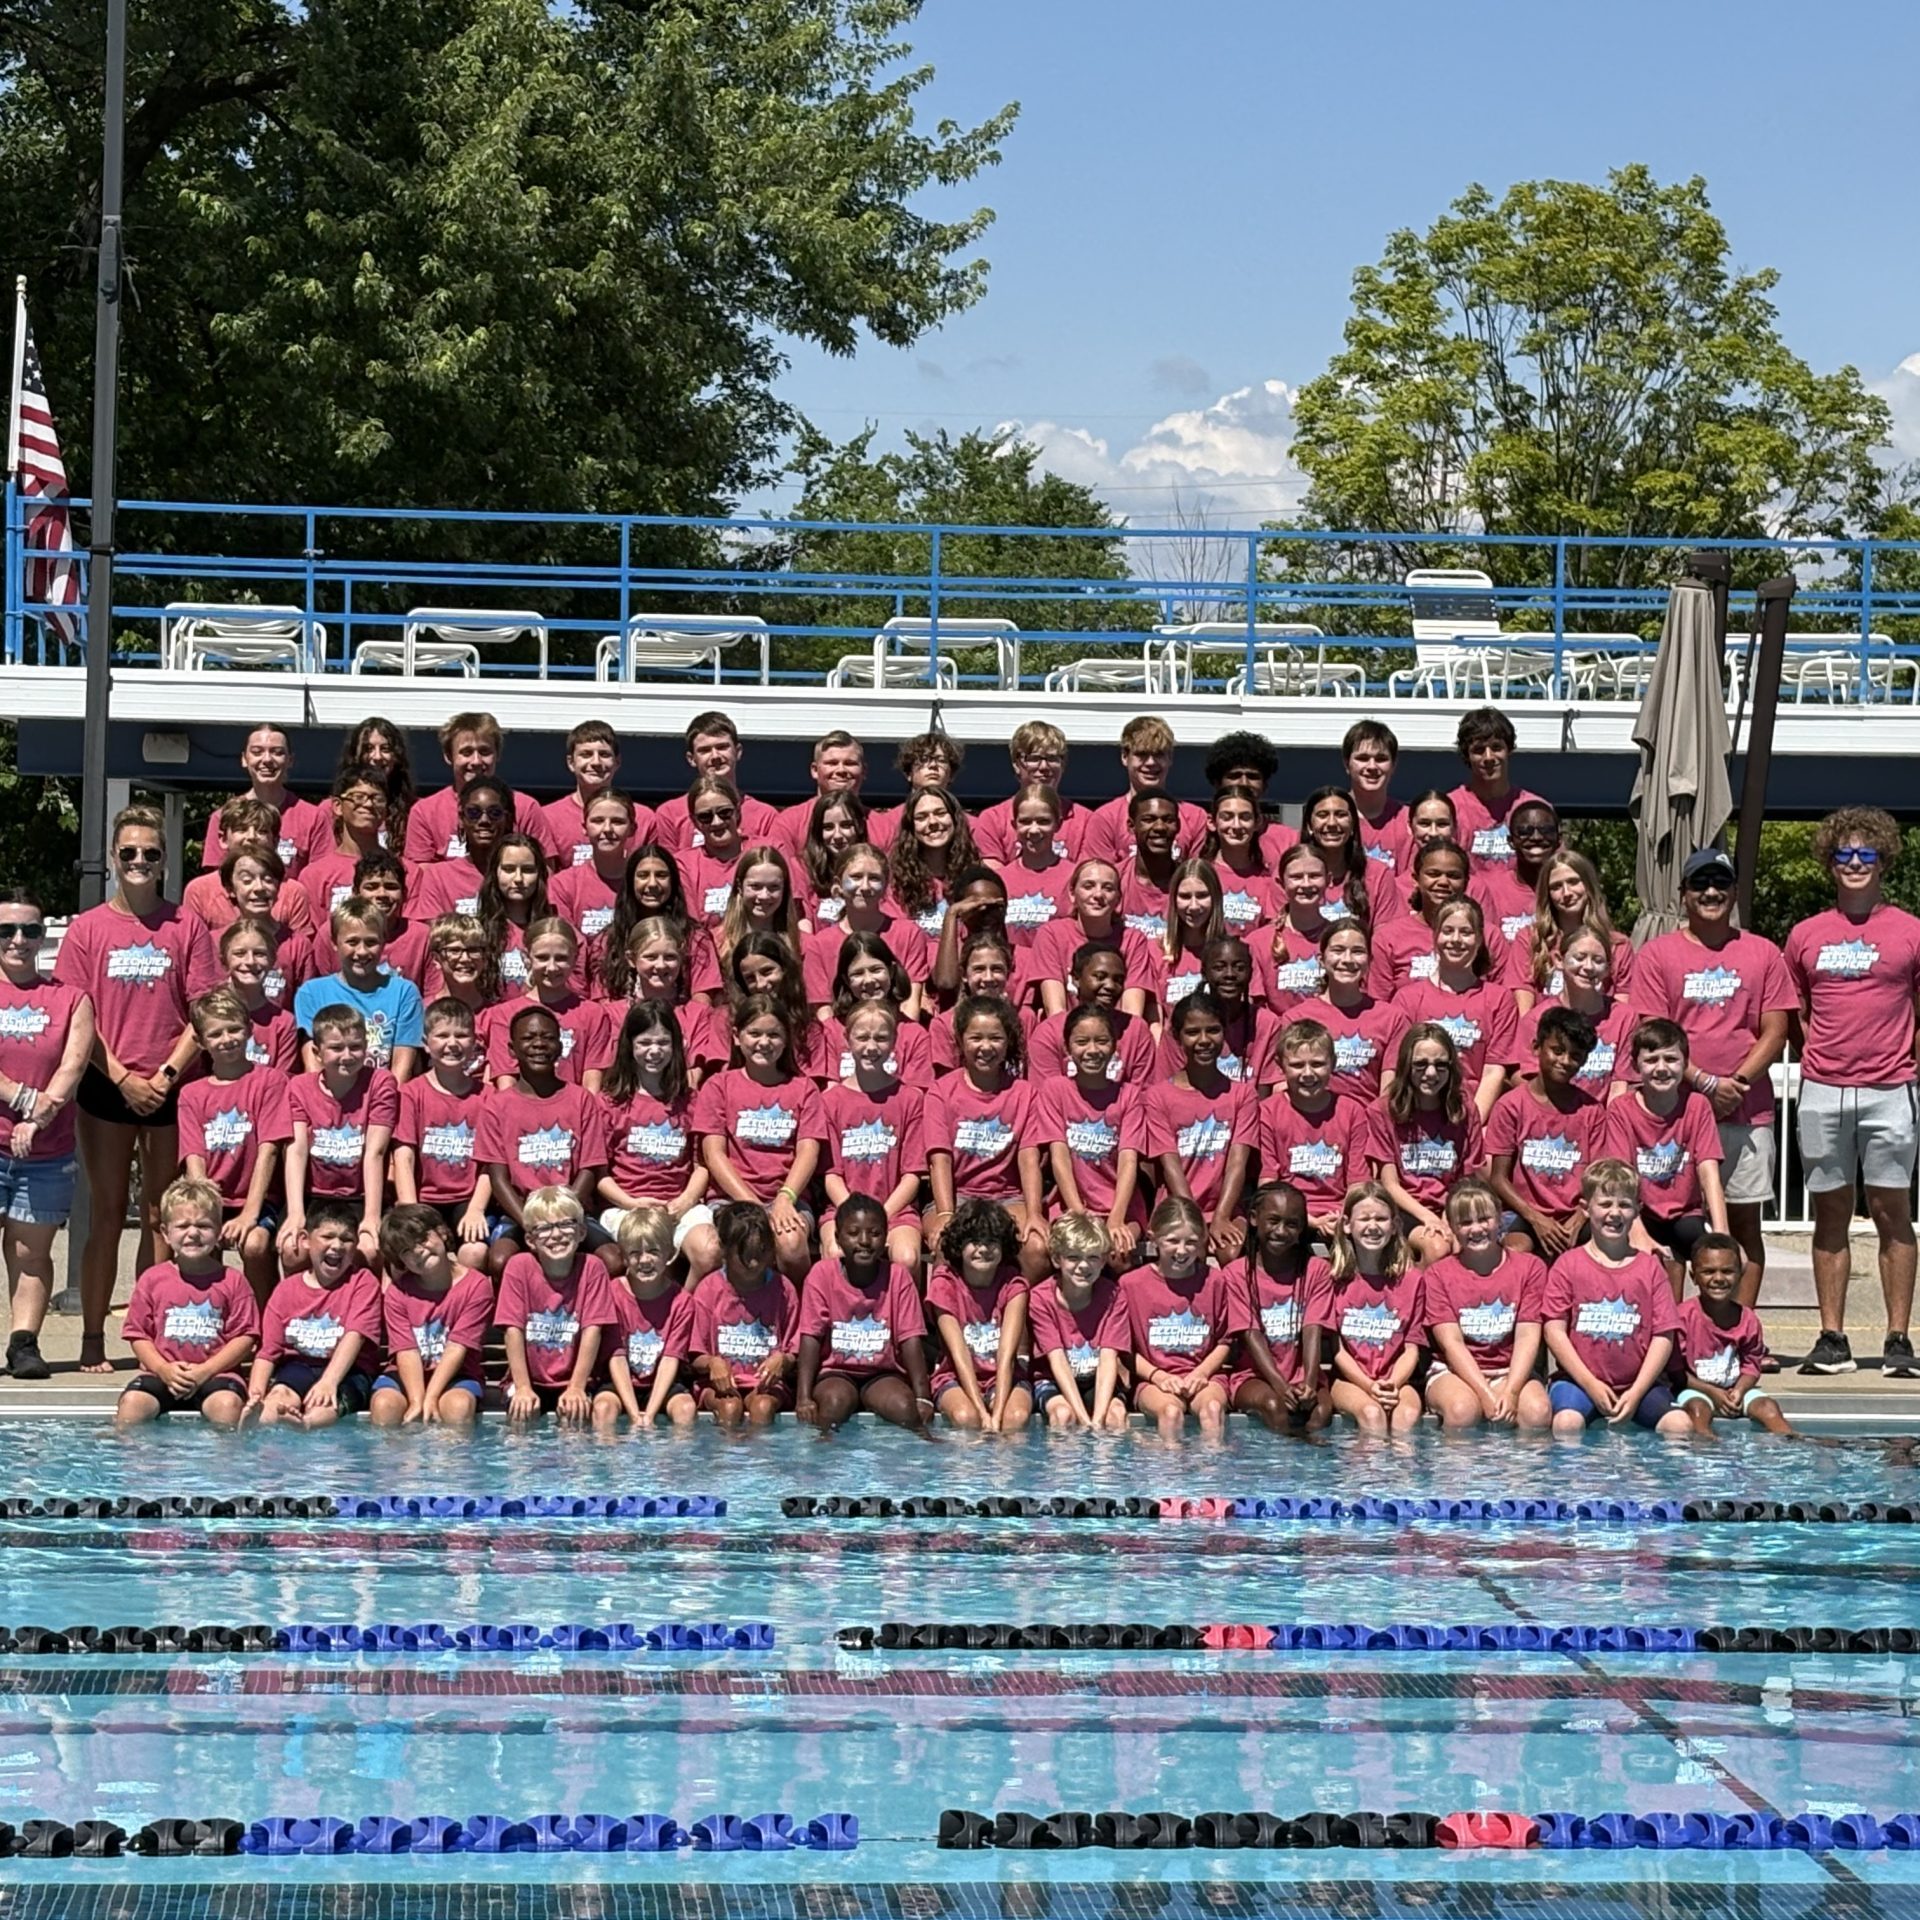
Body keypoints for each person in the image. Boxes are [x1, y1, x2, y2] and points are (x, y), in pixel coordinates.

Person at [56, 804, 221, 1372]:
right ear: (113, 858)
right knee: (106, 1214)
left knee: (160, 1217)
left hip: (172, 1084)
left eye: (150, 852)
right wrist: (124, 1078)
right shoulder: (88, 929)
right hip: (107, 1084)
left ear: (164, 860)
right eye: (129, 852)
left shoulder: (186, 925)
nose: (139, 861)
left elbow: (204, 1011)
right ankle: (93, 1337)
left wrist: (165, 1076)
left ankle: (153, 1337)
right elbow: (77, 1016)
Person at [1783, 806, 1920, 1378]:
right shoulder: (1805, 934)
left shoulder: (1911, 931)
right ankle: (1832, 1338)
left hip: (1891, 1089)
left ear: (1883, 861)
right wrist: (1821, 1058)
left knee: (1892, 1211)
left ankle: (1898, 1340)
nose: (1856, 862)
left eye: (1867, 853)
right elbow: (1795, 1012)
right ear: (1830, 861)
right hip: (1823, 1089)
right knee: (1830, 1212)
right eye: (1845, 853)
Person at [1634, 847, 1794, 1316]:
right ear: (1683, 893)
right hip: (1675, 1117)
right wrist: (1704, 1083)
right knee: (1674, 1227)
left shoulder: (1763, 952)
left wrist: (1735, 1084)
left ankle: (1736, 1331)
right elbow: (1653, 1033)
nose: (1710, 892)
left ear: (1735, 892)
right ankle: (1673, 1331)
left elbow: (1776, 1030)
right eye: (1700, 883)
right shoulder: (1658, 954)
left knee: (1743, 1228)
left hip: (1746, 1113)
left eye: (1720, 883)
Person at [0, 892, 91, 1378]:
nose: (18, 940)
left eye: (30, 931)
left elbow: (73, 1065)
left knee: (30, 1253)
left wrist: (37, 1119)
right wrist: (22, 1098)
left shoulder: (71, 998)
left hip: (46, 1151)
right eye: (7, 931)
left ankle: (23, 1344)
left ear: (42, 938)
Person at [1542, 1159, 1692, 1434]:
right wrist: (1590, 1384)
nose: (1615, 1213)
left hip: (1639, 1385)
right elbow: (1554, 1331)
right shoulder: (1567, 1265)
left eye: (1624, 1205)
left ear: (1637, 1211)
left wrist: (1637, 1392)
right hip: (1578, 1383)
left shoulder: (1650, 1269)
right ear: (1585, 1209)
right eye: (1605, 1204)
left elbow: (1663, 1336)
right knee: (1566, 1424)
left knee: (1679, 1426)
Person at [690, 993, 825, 1280]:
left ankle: (800, 1304)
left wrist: (785, 1198)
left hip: (788, 1197)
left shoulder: (804, 1089)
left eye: (774, 1035)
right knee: (747, 1240)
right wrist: (753, 1205)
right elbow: (714, 1154)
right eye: (755, 1033)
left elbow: (808, 1152)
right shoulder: (718, 1086)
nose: (764, 1042)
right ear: (737, 1037)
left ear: (786, 1039)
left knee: (791, 1245)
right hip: (731, 1199)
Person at [476, 1005, 610, 1277]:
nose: (538, 1044)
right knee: (500, 1260)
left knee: (612, 1259)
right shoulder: (497, 1106)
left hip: (573, 1210)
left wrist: (563, 1220)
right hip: (521, 1214)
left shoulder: (581, 1099)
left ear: (560, 1047)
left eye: (548, 1038)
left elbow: (589, 1168)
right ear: (512, 1050)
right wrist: (534, 1225)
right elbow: (498, 1178)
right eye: (528, 1038)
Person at [115, 1175, 260, 1428]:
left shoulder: (233, 1281)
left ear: (219, 1231)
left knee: (228, 1407)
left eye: (203, 1226)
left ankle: (226, 1453)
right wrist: (163, 1369)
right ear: (165, 1233)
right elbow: (138, 1335)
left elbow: (245, 1337)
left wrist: (206, 1370)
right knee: (132, 1405)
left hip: (217, 1375)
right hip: (163, 1374)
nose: (193, 1233)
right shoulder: (152, 1279)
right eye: (182, 1226)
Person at [177, 986, 290, 1301]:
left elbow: (269, 1150)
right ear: (201, 1042)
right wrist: (208, 1214)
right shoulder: (192, 1094)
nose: (226, 1039)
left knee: (254, 1245)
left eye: (234, 1029)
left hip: (258, 1197)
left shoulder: (270, 1081)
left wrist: (250, 1214)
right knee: (197, 1243)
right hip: (213, 1197)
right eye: (215, 1034)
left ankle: (263, 1316)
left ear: (250, 1029)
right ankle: (215, 1311)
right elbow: (194, 1160)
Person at [924, 996, 1047, 1280]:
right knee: (946, 1243)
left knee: (1037, 1247)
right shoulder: (941, 1091)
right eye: (976, 1038)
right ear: (960, 1041)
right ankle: (948, 1308)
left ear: (1008, 1042)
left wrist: (1034, 1213)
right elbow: (939, 1160)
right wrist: (945, 1213)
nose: (986, 1047)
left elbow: (1028, 1159)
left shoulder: (1025, 1094)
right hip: (958, 1196)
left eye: (995, 1038)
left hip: (1007, 1197)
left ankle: (1018, 1307)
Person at [1603, 1019, 1728, 1290]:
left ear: (1685, 1063)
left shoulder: (1697, 1106)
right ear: (1636, 1066)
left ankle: (1698, 1316)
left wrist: (1722, 1235)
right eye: (1651, 1060)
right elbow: (1621, 1179)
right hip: (1638, 1210)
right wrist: (1638, 1232)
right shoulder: (1621, 1110)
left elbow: (1709, 1174)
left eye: (1671, 1059)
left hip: (1685, 1213)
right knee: (1641, 1255)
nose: (1661, 1068)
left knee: (1719, 1263)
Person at [595, 1001, 718, 1274]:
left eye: (663, 1042)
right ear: (629, 1045)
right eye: (644, 1043)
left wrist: (684, 1202)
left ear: (676, 1046)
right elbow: (600, 1175)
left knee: (709, 1251)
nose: (654, 1051)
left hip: (679, 1204)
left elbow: (702, 1165)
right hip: (626, 1206)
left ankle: (686, 1300)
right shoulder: (609, 1103)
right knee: (646, 1244)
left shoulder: (692, 1101)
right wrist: (632, 1203)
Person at [1420, 1179, 1552, 1431]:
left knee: (1537, 1413)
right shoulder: (1438, 1275)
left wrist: (1511, 1392)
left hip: (1509, 1369)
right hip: (1455, 1372)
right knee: (1463, 1411)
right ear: (1452, 1228)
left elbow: (1527, 1336)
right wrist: (1485, 1394)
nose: (1476, 1229)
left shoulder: (1530, 1268)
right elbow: (1451, 1343)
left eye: (1484, 1219)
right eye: (1465, 1223)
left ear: (1500, 1219)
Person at [795, 1195, 933, 1431]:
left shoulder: (898, 1276)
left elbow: (910, 1339)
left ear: (886, 1237)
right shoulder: (821, 1274)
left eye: (875, 1233)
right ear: (837, 1237)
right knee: (834, 1405)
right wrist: (803, 1397)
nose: (864, 1241)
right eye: (853, 1233)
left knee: (904, 1408)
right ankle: (823, 1449)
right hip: (835, 1372)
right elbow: (810, 1337)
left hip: (882, 1373)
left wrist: (923, 1397)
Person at [243, 1198, 382, 1427]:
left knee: (325, 1403)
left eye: (347, 1239)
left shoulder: (363, 1283)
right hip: (298, 1366)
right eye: (328, 1236)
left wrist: (329, 1381)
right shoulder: (286, 1290)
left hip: (350, 1370)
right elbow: (268, 1352)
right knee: (278, 1396)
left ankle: (306, 1424)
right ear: (306, 1240)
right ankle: (260, 1421)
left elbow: (355, 1336)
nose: (337, 1245)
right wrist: (256, 1394)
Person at [280, 1004, 396, 1273]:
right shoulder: (299, 1087)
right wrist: (296, 1212)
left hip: (359, 1195)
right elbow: (297, 1150)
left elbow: (375, 1153)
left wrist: (372, 1216)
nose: (347, 1055)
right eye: (336, 1048)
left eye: (355, 1047)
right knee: (293, 1249)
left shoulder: (380, 1083)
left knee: (369, 1249)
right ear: (317, 1052)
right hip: (315, 1194)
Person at [1485, 1008, 1605, 1257]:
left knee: (1601, 1246)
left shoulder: (1592, 1111)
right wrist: (1536, 1219)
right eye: (1557, 1051)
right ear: (1536, 1047)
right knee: (1518, 1250)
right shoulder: (1511, 1105)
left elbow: (1598, 1179)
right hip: (1523, 1213)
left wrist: (1579, 1217)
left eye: (1575, 1055)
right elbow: (1498, 1179)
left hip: (1576, 1214)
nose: (1565, 1061)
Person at [1145, 993, 1255, 1263]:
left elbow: (1237, 1163)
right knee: (1189, 1251)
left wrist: (1221, 1216)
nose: (1204, 1040)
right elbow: (1170, 1165)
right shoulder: (1158, 1097)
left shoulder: (1242, 1094)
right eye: (1193, 1032)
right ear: (1178, 1037)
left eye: (1213, 1030)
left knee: (1231, 1252)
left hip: (1225, 1206)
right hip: (1179, 1204)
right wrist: (1194, 1220)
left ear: (1225, 1032)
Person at [820, 1001, 927, 1274]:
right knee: (835, 1252)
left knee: (906, 1258)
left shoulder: (910, 1098)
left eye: (881, 1038)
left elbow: (912, 1174)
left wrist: (881, 1216)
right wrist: (854, 1215)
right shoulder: (830, 1101)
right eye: (862, 1037)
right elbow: (831, 1175)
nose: (871, 1047)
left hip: (896, 1209)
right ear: (847, 1039)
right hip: (842, 1207)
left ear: (894, 1041)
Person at [497, 1186, 618, 1423]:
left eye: (565, 1224)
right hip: (528, 1379)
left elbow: (592, 1330)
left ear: (582, 1232)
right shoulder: (518, 1267)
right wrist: (522, 1387)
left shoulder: (592, 1268)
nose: (556, 1234)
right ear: (530, 1240)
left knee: (575, 1419)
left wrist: (576, 1387)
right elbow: (512, 1330)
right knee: (521, 1417)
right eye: (544, 1228)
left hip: (577, 1378)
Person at [1037, 1005, 1147, 1262]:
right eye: (1082, 1042)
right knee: (1076, 1251)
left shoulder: (1128, 1095)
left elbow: (1128, 1160)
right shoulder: (1055, 1090)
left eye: (1102, 1041)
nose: (1092, 1050)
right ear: (1067, 1047)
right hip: (1071, 1205)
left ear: (1115, 1046)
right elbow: (1059, 1157)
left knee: (1117, 1255)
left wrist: (1117, 1217)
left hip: (1121, 1207)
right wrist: (1079, 1213)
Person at [1368, 1022, 1485, 1262]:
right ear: (1406, 1065)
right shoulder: (1382, 1111)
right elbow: (1389, 1184)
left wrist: (1447, 1216)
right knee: (1437, 1246)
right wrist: (1429, 1218)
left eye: (1441, 1065)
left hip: (1452, 1205)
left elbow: (1467, 1178)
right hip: (1403, 1208)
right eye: (1420, 1064)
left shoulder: (1465, 1110)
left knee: (1463, 1246)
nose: (1431, 1073)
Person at [391, 997, 493, 1272]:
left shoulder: (487, 1096)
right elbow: (404, 1157)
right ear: (426, 1043)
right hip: (424, 1199)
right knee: (409, 1252)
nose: (452, 1043)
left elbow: (491, 1163)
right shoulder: (411, 1093)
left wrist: (476, 1209)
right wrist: (411, 1211)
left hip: (467, 1199)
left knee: (474, 1251)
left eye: (461, 1035)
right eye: (442, 1035)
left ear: (474, 1042)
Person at [1221, 1181, 1331, 1432]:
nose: (1281, 1231)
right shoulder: (1237, 1274)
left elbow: (1312, 1328)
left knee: (1320, 1413)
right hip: (1254, 1376)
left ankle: (1311, 1459)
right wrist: (1281, 1387)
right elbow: (1251, 1334)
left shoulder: (1316, 1270)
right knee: (1275, 1407)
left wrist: (1309, 1384)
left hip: (1302, 1374)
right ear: (1253, 1218)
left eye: (1292, 1224)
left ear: (1302, 1228)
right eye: (1273, 1221)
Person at [370, 1203, 493, 1427]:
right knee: (384, 1405)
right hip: (407, 1373)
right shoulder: (398, 1292)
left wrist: (432, 1397)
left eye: (422, 1239)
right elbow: (406, 1350)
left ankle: (450, 1452)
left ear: (442, 1232)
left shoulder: (477, 1286)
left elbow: (457, 1347)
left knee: (458, 1407)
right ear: (401, 1261)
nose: (417, 1251)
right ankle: (394, 1451)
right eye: (406, 1251)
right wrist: (417, 1400)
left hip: (457, 1372)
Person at [1394, 897, 1517, 1121]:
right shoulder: (1407, 999)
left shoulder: (1499, 999)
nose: (1456, 940)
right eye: (1448, 931)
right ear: (1435, 936)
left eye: (1466, 932)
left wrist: (1471, 1123)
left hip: (1472, 1115)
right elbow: (1400, 1068)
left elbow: (1493, 1071)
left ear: (1479, 939)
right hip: (1419, 1116)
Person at [1122, 1195, 1234, 1436]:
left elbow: (1226, 1341)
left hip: (1204, 1375)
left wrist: (1201, 1373)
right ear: (1154, 1238)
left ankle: (1211, 1461)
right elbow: (1124, 1350)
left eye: (1191, 1242)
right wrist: (1158, 1376)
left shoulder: (1215, 1281)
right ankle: (1169, 1461)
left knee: (1212, 1409)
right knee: (1171, 1413)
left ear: (1202, 1241)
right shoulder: (1131, 1285)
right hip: (1153, 1379)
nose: (1182, 1250)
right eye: (1172, 1241)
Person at [1323, 1180, 1425, 1433]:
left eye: (1381, 1219)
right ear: (1347, 1224)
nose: (1373, 1226)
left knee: (1407, 1416)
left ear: (1395, 1225)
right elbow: (1337, 1350)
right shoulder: (1332, 1280)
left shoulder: (1412, 1281)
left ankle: (1402, 1463)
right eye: (1364, 1219)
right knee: (1372, 1414)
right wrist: (1369, 1386)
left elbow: (1411, 1349)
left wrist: (1392, 1384)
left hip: (1398, 1379)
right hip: (1349, 1379)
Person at [686, 1201, 801, 1425]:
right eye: (745, 1256)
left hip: (766, 1386)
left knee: (762, 1407)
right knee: (730, 1408)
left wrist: (783, 1360)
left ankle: (762, 1450)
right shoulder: (708, 1290)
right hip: (719, 1385)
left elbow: (794, 1350)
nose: (754, 1263)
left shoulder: (784, 1290)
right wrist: (712, 1363)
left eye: (762, 1253)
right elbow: (695, 1355)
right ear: (724, 1250)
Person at [1260, 1020, 1372, 1244]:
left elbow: (1358, 1183)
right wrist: (1312, 1221)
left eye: (1318, 1064)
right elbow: (1267, 1185)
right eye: (1297, 1065)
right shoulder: (1268, 1112)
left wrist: (1343, 1217)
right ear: (1280, 1066)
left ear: (1333, 1063)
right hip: (1289, 1214)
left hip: (1340, 1213)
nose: (1308, 1073)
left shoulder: (1352, 1111)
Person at [927, 1197, 1032, 1431]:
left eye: (992, 1242)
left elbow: (1007, 1356)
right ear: (960, 1244)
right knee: (967, 1417)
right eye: (974, 1242)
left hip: (1005, 1375)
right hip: (955, 1375)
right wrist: (982, 1412)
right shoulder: (944, 1284)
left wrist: (997, 1414)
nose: (983, 1249)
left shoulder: (1014, 1284)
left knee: (1015, 1418)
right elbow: (959, 1355)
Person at [1672, 1235, 1792, 1436]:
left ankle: (1792, 1440)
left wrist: (1740, 1391)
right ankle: (1706, 1443)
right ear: (1693, 1276)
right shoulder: (1682, 1317)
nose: (1719, 1278)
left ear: (1740, 1274)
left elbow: (1751, 1365)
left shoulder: (1748, 1319)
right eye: (1708, 1272)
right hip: (1697, 1391)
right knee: (1698, 1411)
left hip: (1735, 1391)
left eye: (1727, 1271)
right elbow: (1676, 1372)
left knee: (1769, 1408)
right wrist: (1712, 1392)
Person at [293, 897, 423, 1078]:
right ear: (334, 943)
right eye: (352, 942)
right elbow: (313, 1068)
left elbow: (401, 1072)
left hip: (382, 1092)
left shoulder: (404, 993)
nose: (361, 951)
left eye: (371, 942)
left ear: (384, 942)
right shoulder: (312, 993)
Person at [594, 1205, 696, 1429]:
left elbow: (670, 1359)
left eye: (653, 1251)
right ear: (623, 1257)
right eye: (635, 1253)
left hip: (663, 1383)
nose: (645, 1260)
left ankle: (677, 1453)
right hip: (619, 1381)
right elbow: (616, 1356)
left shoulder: (682, 1301)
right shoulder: (612, 1293)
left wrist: (649, 1415)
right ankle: (607, 1452)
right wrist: (634, 1414)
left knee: (686, 1409)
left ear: (670, 1254)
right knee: (603, 1408)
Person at [479, 919, 612, 1090]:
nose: (552, 967)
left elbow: (591, 1085)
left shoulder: (593, 1014)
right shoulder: (504, 1014)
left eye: (561, 958)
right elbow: (506, 1083)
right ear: (526, 957)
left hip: (575, 1105)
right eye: (542, 958)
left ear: (575, 958)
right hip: (520, 1106)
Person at [1287, 921, 1408, 1107]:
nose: (1347, 959)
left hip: (1369, 1119)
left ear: (1370, 960)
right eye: (1338, 950)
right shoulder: (1296, 1018)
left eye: (1358, 951)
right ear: (1321, 960)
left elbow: (1389, 1091)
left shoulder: (1392, 1019)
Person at [1030, 1212, 1129, 1430]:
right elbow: (1057, 1361)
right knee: (1063, 1415)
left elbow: (1108, 1359)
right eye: (1073, 1258)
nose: (1084, 1266)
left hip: (1096, 1378)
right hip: (1053, 1379)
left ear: (1103, 1260)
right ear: (1057, 1259)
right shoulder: (1040, 1298)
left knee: (1115, 1415)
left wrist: (1097, 1421)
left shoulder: (1114, 1296)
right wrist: (1085, 1421)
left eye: (1092, 1257)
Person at [653, 712, 782, 857]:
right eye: (705, 750)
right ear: (691, 759)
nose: (715, 756)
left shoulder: (765, 816)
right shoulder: (669, 814)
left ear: (738, 751)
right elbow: (669, 867)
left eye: (722, 747)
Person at [1030, 941, 1156, 1085]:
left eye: (1118, 980)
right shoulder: (1049, 1032)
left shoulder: (1136, 1030)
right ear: (1076, 978)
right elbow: (1047, 1092)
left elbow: (1142, 1091)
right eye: (1100, 977)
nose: (1110, 986)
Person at [1084, 717, 1208, 864]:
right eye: (1142, 754)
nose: (1151, 762)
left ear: (1170, 758)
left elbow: (1199, 874)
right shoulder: (1105, 819)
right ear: (1125, 757)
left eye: (1159, 754)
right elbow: (1098, 875)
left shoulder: (1196, 818)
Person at [199, 726, 320, 873]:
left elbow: (320, 878)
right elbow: (215, 879)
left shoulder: (314, 817)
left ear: (290, 760)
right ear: (244, 759)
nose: (267, 759)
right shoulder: (222, 817)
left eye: (277, 752)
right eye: (257, 752)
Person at [972, 722, 1089, 866]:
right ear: (1016, 764)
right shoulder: (992, 820)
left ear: (1063, 764)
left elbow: (1087, 873)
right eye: (1034, 758)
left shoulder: (1086, 821)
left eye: (1052, 758)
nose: (1044, 767)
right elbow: (993, 874)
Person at [541, 721, 650, 870]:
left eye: (604, 754)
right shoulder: (547, 817)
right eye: (586, 754)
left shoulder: (645, 819)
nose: (596, 762)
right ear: (571, 763)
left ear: (617, 762)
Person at [1449, 707, 1542, 876]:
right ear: (1467, 756)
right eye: (1479, 750)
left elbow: (1557, 868)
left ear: (1509, 750)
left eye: (1496, 747)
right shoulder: (1450, 808)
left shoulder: (1536, 809)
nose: (1489, 757)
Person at [990, 784, 1078, 945]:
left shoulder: (1075, 877)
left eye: (1043, 821)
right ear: (1014, 825)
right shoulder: (998, 880)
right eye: (1025, 822)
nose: (1034, 830)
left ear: (1058, 824)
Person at [866, 731, 966, 853]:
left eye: (941, 760)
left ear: (952, 775)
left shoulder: (970, 824)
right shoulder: (887, 823)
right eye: (924, 759)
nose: (933, 765)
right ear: (908, 773)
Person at [770, 730, 868, 854]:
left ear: (864, 771)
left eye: (850, 763)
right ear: (815, 770)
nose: (841, 770)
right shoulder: (789, 822)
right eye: (832, 763)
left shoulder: (883, 826)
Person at [1343, 719, 1411, 876]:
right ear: (1347, 764)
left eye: (1381, 759)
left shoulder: (1409, 821)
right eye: (1362, 758)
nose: (1372, 766)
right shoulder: (1331, 819)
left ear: (1393, 765)